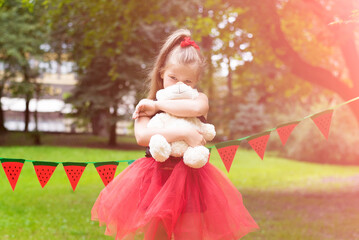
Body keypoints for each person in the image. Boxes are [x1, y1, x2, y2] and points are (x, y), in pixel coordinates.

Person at [91, 29, 259, 240]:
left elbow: (196, 110)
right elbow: (143, 136)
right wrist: (184, 132)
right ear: (161, 72)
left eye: (188, 82)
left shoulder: (198, 100)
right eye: (173, 77)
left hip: (191, 178)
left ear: (195, 82)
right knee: (156, 234)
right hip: (157, 177)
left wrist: (157, 105)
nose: (180, 86)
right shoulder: (145, 105)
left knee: (189, 234)